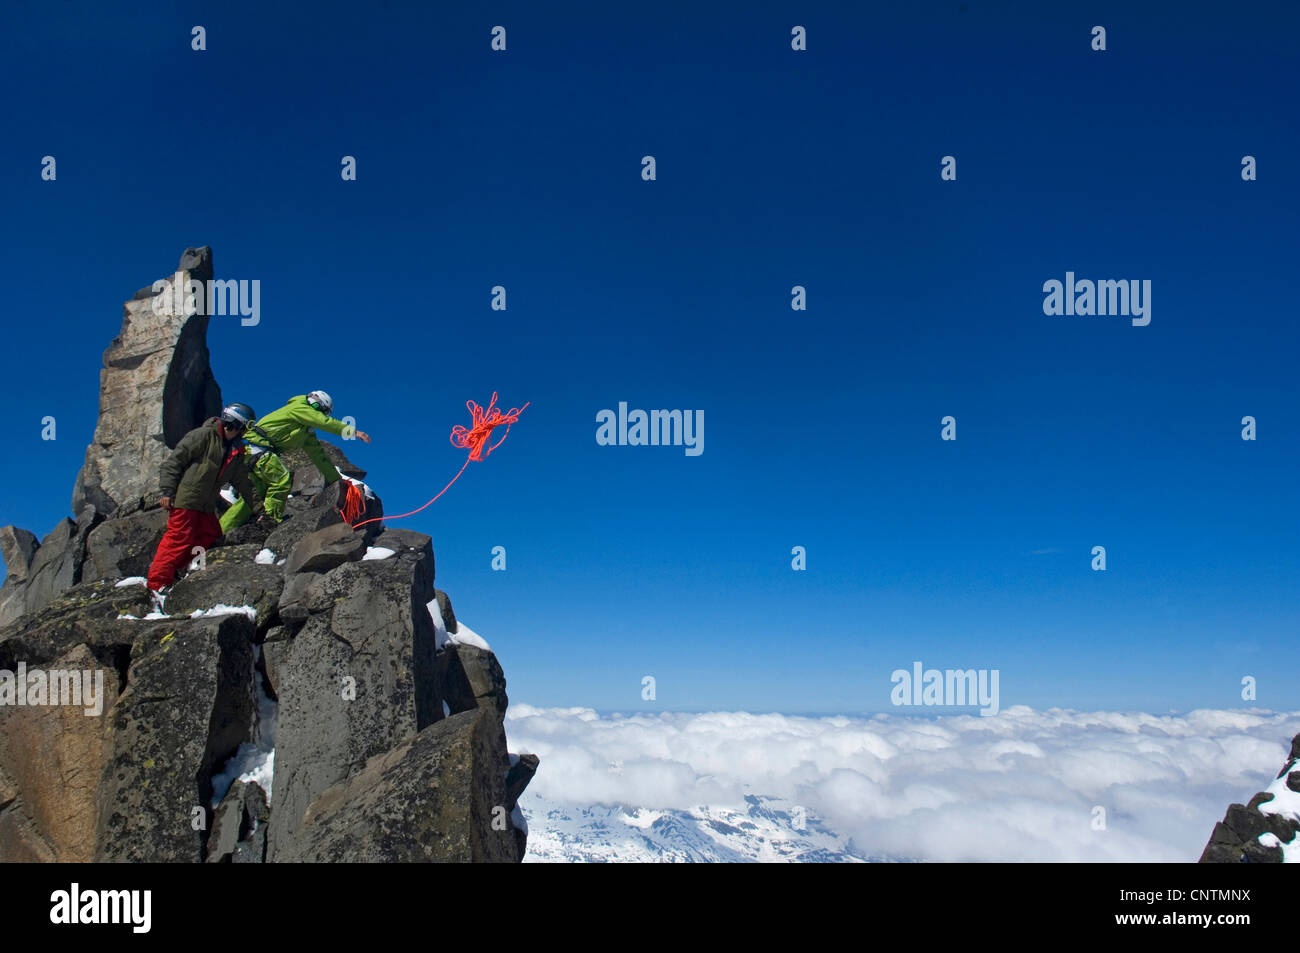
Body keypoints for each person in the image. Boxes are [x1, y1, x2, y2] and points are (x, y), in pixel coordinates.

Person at [147, 403, 263, 594]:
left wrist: (260, 508)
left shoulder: (235, 450)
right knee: (178, 539)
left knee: (210, 535)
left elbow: (243, 481)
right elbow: (174, 462)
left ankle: (192, 570)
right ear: (234, 424)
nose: (244, 433)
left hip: (206, 506)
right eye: (243, 428)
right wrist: (167, 491)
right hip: (186, 501)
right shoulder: (202, 436)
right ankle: (156, 584)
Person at [219, 390, 371, 533]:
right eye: (321, 411)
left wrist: (336, 481)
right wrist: (353, 432)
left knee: (253, 497)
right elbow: (323, 422)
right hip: (254, 447)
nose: (319, 415)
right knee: (281, 480)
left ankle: (219, 532)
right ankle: (269, 522)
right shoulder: (299, 407)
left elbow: (320, 457)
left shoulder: (305, 432)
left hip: (253, 452)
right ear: (316, 406)